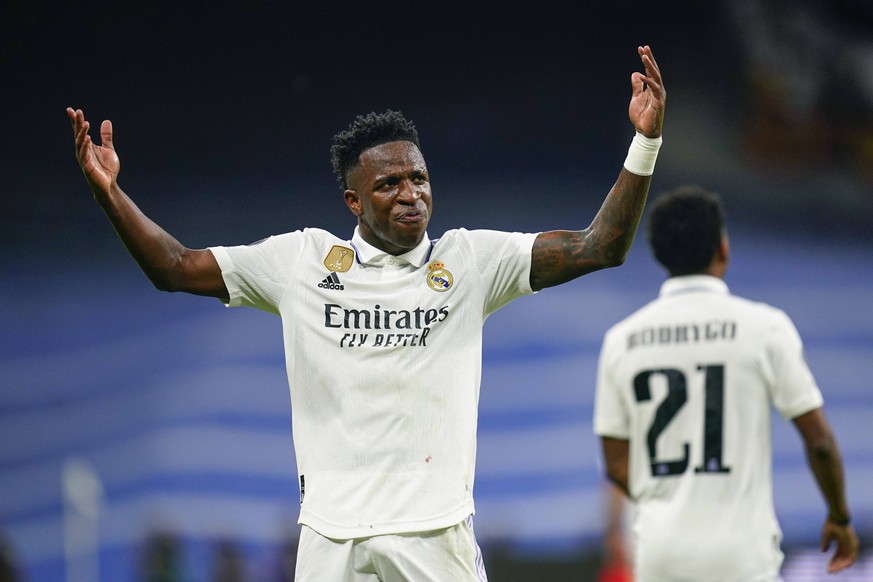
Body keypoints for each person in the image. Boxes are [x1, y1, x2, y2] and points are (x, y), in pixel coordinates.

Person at [67, 45, 665, 581]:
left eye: (420, 178)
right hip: (331, 538)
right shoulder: (300, 261)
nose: (411, 194)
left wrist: (644, 143)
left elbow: (599, 246)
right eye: (390, 185)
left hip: (435, 533)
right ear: (353, 200)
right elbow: (174, 267)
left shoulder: (470, 261)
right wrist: (111, 194)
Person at [593, 185, 860, 581]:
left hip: (660, 555)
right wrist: (839, 516)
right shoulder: (765, 327)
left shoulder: (622, 340)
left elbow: (616, 464)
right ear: (723, 247)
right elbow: (818, 441)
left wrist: (672, 499)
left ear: (660, 255)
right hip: (742, 555)